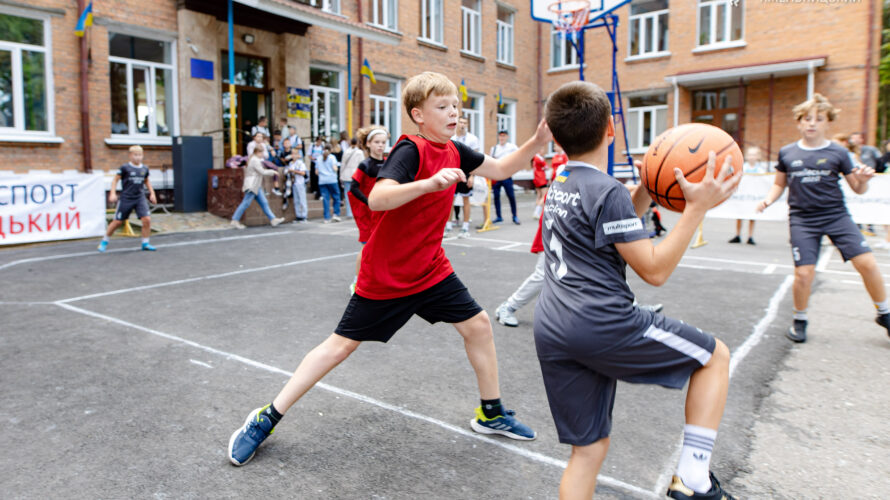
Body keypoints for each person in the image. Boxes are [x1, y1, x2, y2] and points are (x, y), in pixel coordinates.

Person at [227, 71, 550, 467]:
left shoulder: (456, 150)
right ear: (418, 114)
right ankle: (266, 417)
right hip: (387, 273)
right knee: (340, 347)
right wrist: (428, 184)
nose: (453, 113)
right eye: (443, 107)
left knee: (479, 325)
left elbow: (500, 169)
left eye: (456, 106)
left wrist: (536, 142)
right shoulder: (409, 151)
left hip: (430, 268)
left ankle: (491, 412)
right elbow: (378, 198)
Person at [534, 81, 740, 500]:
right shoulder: (606, 191)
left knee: (588, 450)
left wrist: (646, 185)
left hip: (553, 326)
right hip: (601, 323)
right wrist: (696, 209)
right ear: (611, 130)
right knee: (714, 356)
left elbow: (613, 218)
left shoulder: (563, 180)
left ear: (555, 137)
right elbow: (655, 270)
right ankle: (694, 480)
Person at [756, 93, 890, 342]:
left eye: (818, 119)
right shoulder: (787, 152)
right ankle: (800, 318)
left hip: (836, 215)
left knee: (868, 264)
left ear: (828, 123)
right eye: (806, 118)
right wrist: (767, 200)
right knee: (804, 273)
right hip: (802, 219)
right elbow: (778, 185)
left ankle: (884, 314)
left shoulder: (838, 153)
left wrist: (863, 182)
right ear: (799, 122)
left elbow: (858, 189)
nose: (812, 123)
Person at [347, 125, 388, 294]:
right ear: (368, 144)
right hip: (367, 213)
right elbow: (354, 188)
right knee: (366, 248)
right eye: (377, 142)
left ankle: (379, 280)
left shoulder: (387, 163)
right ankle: (356, 282)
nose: (380, 145)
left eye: (383, 142)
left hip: (383, 211)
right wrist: (369, 202)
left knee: (383, 247)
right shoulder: (365, 165)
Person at [98, 145, 158, 252]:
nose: (138, 157)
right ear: (130, 156)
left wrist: (152, 193)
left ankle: (145, 243)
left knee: (147, 219)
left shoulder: (144, 169)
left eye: (140, 155)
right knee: (117, 222)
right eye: (135, 155)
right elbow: (115, 180)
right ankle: (104, 241)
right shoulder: (125, 168)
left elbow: (147, 181)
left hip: (140, 197)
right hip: (126, 198)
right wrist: (112, 193)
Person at [230, 143, 285, 229]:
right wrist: (273, 172)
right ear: (258, 152)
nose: (263, 155)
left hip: (255, 185)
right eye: (262, 153)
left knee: (264, 202)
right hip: (252, 185)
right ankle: (235, 220)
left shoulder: (253, 159)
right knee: (246, 203)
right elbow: (262, 172)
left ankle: (273, 219)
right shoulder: (255, 160)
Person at [449, 116, 480, 237]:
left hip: (466, 172)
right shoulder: (451, 137)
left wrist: (472, 176)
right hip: (453, 171)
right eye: (460, 122)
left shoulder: (472, 139)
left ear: (467, 124)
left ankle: (465, 226)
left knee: (465, 200)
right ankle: (448, 226)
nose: (462, 124)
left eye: (464, 123)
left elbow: (476, 159)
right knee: (450, 200)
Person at [729, 146, 768, 245]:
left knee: (752, 216)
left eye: (754, 155)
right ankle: (737, 235)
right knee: (739, 215)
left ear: (758, 157)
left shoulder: (760, 170)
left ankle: (750, 236)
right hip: (743, 196)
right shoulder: (743, 167)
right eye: (750, 155)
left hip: (753, 196)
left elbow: (764, 180)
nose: (752, 157)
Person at [490, 130, 520, 225]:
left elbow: (519, 156)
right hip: (496, 175)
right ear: (498, 137)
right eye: (500, 136)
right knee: (496, 197)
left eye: (504, 136)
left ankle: (515, 216)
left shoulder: (511, 147)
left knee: (511, 196)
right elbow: (491, 160)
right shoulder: (494, 148)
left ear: (507, 137)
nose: (502, 138)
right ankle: (499, 216)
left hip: (507, 175)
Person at [340, 137, 365, 218]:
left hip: (346, 174)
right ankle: (356, 212)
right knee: (357, 195)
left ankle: (349, 213)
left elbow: (342, 164)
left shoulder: (346, 151)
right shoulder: (360, 152)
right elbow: (362, 165)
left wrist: (341, 175)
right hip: (356, 175)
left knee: (347, 195)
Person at [316, 145, 342, 223]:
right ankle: (336, 214)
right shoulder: (332, 157)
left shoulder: (318, 158)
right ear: (330, 150)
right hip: (332, 180)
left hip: (322, 181)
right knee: (336, 197)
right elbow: (335, 168)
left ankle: (326, 217)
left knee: (325, 199)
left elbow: (316, 172)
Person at [285, 152, 309, 223]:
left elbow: (303, 173)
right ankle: (298, 216)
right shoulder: (291, 163)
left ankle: (304, 216)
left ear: (298, 155)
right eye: (292, 154)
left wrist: (294, 171)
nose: (293, 156)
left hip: (300, 183)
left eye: (295, 154)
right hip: (294, 183)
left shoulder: (300, 163)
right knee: (296, 200)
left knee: (302, 200)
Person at [532, 148, 548, 220]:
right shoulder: (540, 158)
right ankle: (537, 212)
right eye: (542, 149)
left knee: (539, 195)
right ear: (539, 150)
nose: (543, 151)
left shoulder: (534, 157)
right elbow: (546, 167)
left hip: (536, 178)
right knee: (544, 195)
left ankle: (536, 211)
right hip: (541, 178)